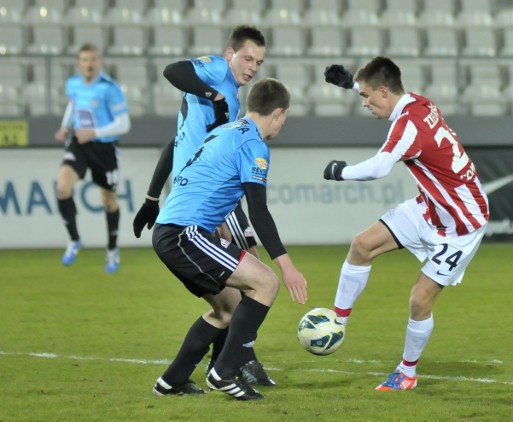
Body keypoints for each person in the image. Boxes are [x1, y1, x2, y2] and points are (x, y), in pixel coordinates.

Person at [322, 57, 489, 391]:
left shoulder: (408, 126)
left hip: (462, 223)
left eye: (366, 96)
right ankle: (336, 322)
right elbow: (382, 87)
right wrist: (351, 84)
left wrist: (341, 171)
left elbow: (378, 168)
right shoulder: (418, 102)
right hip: (430, 208)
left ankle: (407, 373)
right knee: (362, 245)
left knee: (419, 300)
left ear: (384, 92)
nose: (365, 103)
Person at [132, 26, 273, 384]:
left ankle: (221, 364)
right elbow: (173, 71)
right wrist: (212, 93)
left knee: (236, 288)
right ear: (230, 53)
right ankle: (234, 363)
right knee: (253, 275)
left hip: (195, 191)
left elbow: (175, 144)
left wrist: (151, 198)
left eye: (259, 61)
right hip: (203, 197)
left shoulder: (232, 103)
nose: (252, 66)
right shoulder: (216, 72)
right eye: (247, 57)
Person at [152, 78, 308, 400]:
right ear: (278, 114)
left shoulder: (224, 131)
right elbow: (259, 211)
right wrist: (287, 266)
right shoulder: (253, 144)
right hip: (186, 233)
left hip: (172, 230)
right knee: (266, 283)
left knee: (228, 308)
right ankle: (225, 372)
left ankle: (172, 381)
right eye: (285, 118)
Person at [54, 42, 131, 273]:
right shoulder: (73, 84)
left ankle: (111, 248)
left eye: (93, 59)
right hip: (79, 143)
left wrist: (95, 132)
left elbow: (124, 124)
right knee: (62, 187)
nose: (89, 64)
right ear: (79, 64)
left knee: (108, 201)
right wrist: (64, 126)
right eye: (85, 60)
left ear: (100, 62)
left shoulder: (110, 88)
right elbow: (74, 103)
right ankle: (75, 239)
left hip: (104, 147)